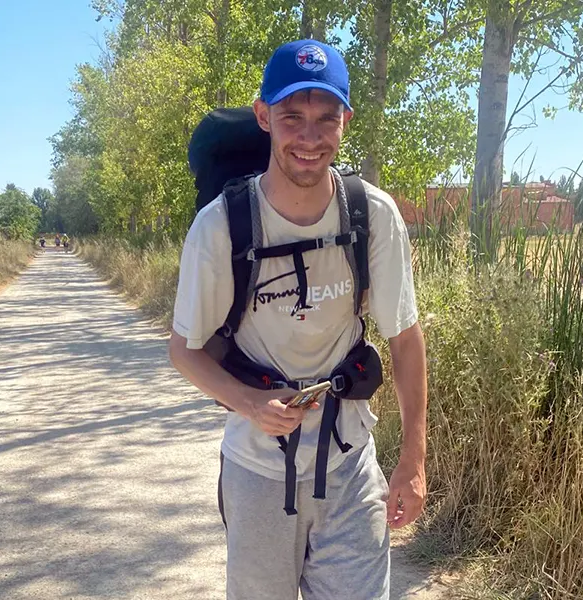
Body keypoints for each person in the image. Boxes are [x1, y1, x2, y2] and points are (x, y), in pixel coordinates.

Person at [169, 39, 428, 599]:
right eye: (292, 117)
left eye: (325, 118)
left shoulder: (372, 216)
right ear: (264, 117)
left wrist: (412, 460)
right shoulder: (221, 228)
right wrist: (248, 403)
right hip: (258, 472)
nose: (309, 137)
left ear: (345, 121)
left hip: (351, 465)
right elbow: (183, 349)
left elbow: (405, 339)